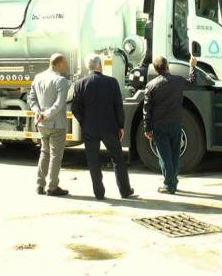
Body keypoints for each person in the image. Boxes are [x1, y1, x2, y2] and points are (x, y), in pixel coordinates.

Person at [71, 55, 133, 200]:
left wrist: (84, 122)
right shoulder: (112, 82)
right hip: (109, 128)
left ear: (88, 67)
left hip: (89, 129)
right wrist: (120, 125)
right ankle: (125, 190)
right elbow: (118, 106)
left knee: (93, 160)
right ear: (100, 65)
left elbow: (75, 108)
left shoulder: (80, 83)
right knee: (118, 158)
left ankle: (99, 193)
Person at [143, 55, 197, 194]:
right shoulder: (178, 81)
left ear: (156, 70)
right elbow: (191, 82)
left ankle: (169, 184)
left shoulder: (151, 85)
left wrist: (147, 128)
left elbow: (147, 109)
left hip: (159, 124)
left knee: (164, 155)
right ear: (167, 66)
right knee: (174, 154)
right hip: (175, 122)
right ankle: (173, 181)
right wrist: (192, 66)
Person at [28, 53, 70, 196]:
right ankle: (52, 187)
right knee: (55, 156)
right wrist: (47, 114)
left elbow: (31, 99)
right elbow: (59, 104)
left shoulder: (38, 77)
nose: (66, 66)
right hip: (56, 124)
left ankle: (39, 185)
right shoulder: (61, 81)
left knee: (44, 153)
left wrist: (37, 112)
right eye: (64, 63)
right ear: (58, 64)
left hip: (41, 123)